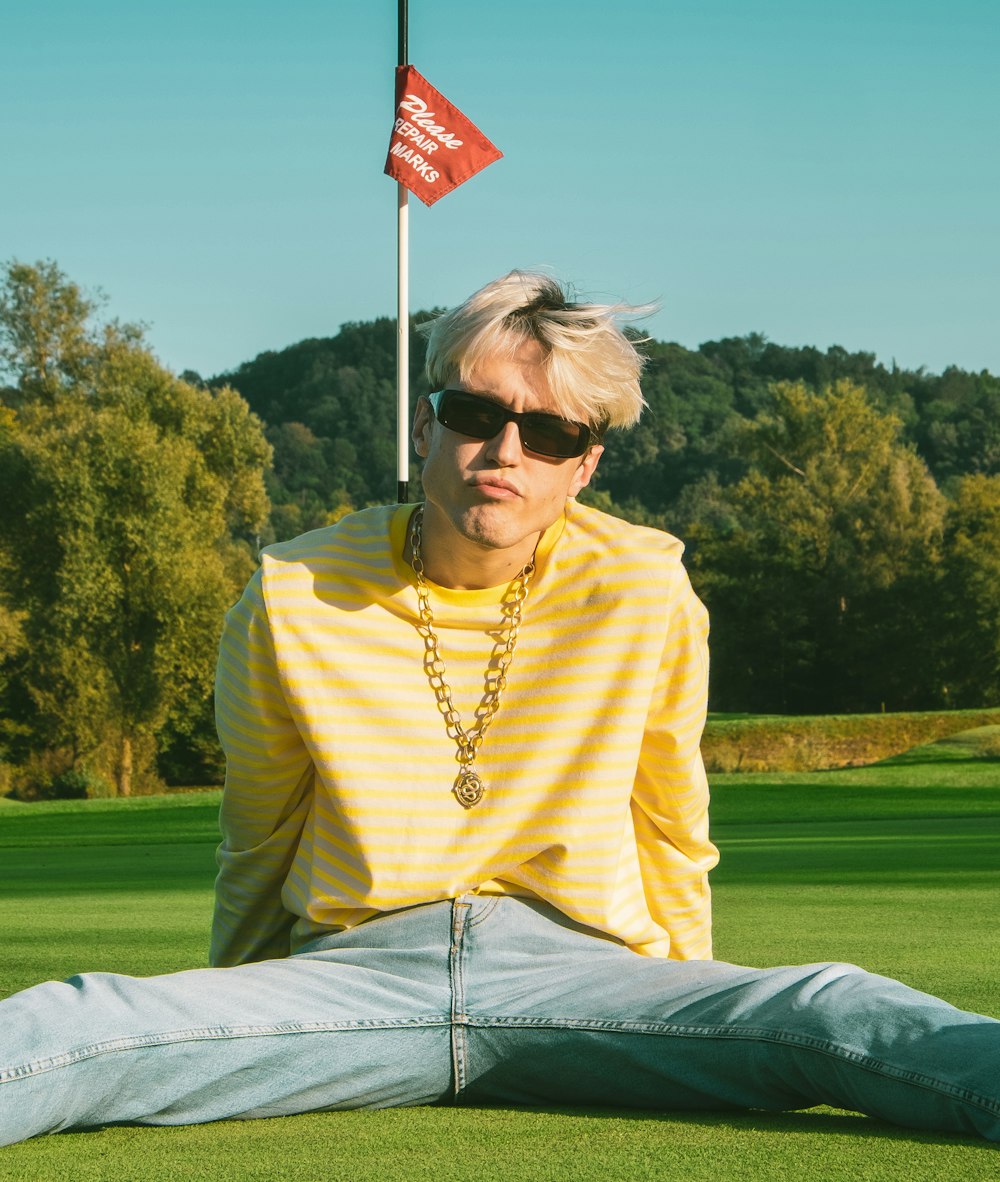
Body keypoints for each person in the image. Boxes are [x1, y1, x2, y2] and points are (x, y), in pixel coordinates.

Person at [1, 271, 998, 1146]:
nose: (504, 450)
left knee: (829, 1009)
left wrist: (686, 1002)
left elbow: (669, 830)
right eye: (476, 414)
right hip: (352, 974)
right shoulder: (293, 592)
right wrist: (238, 1002)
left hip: (583, 974)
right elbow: (259, 833)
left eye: (551, 430)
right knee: (75, 1022)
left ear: (584, 465)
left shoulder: (646, 587)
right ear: (427, 424)